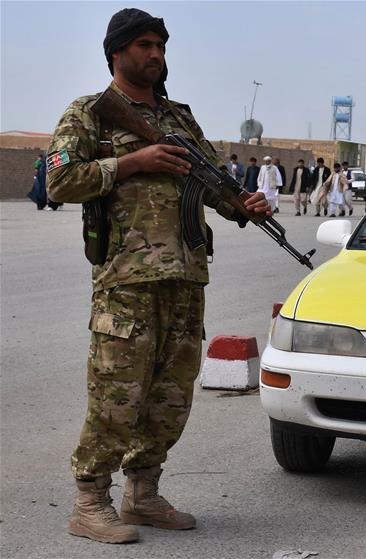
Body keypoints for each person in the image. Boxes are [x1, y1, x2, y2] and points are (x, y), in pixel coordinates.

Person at [45, 8, 271, 545]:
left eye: (161, 46)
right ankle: (91, 501)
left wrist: (244, 203)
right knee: (116, 396)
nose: (155, 55)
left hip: (185, 277)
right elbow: (58, 182)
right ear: (117, 52)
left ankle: (142, 494)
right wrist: (132, 161)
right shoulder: (89, 115)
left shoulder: (179, 119)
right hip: (127, 280)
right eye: (144, 45)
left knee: (171, 397)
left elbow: (211, 181)